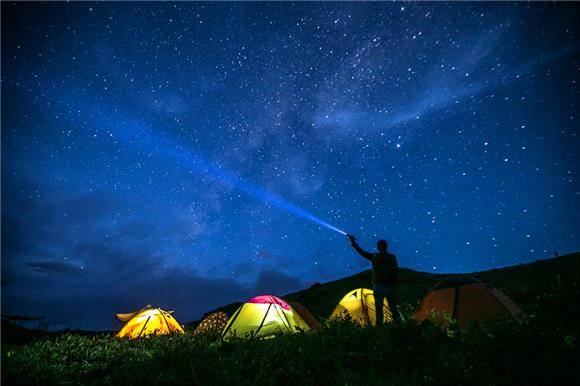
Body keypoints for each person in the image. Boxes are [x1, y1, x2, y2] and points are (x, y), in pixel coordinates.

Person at [347, 234, 400, 325]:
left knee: (381, 309)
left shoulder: (376, 257)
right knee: (390, 308)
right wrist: (354, 243)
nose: (381, 247)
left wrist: (353, 243)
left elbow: (362, 253)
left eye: (381, 246)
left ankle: (382, 328)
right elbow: (395, 271)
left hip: (382, 286)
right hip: (386, 286)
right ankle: (398, 326)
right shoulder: (390, 257)